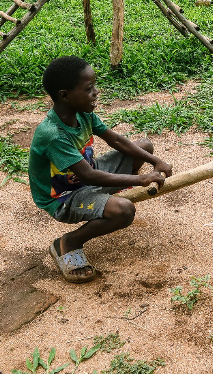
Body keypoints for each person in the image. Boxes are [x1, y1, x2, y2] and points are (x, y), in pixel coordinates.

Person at [29, 55, 171, 283]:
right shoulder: (53, 135)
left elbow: (116, 140)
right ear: (65, 95)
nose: (96, 92)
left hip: (88, 175)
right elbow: (88, 175)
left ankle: (103, 200)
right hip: (64, 197)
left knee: (144, 146)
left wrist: (155, 160)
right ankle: (70, 242)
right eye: (89, 88)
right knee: (124, 211)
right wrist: (142, 178)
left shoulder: (83, 114)